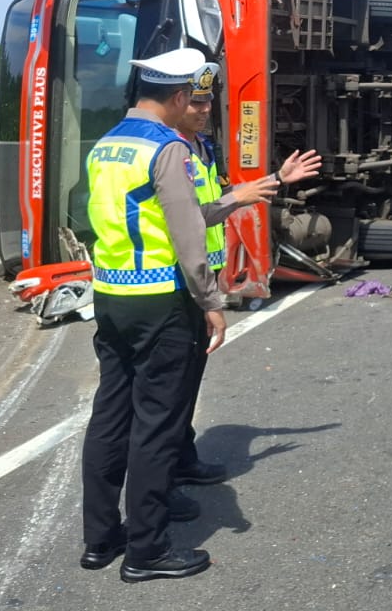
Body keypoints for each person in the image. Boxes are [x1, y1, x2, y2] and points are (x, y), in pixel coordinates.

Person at [78, 48, 226, 583]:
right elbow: (189, 237)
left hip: (110, 294)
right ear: (182, 95)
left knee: (110, 417)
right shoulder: (167, 150)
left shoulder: (108, 144)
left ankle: (101, 539)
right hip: (161, 299)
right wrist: (211, 303)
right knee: (157, 426)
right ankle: (147, 549)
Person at [174, 89, 321, 494]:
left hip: (201, 277)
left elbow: (217, 202)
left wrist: (275, 179)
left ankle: (181, 461)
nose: (204, 111)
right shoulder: (170, 153)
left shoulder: (201, 146)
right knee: (168, 395)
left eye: (207, 103)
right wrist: (209, 299)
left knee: (186, 387)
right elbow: (189, 220)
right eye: (195, 103)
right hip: (179, 284)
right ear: (174, 101)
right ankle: (162, 483)